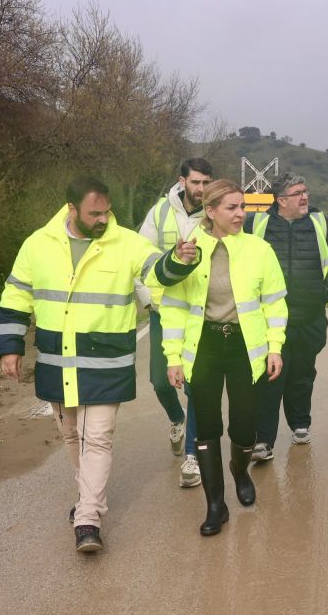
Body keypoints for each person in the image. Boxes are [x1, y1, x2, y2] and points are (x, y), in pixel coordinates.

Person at [0, 176, 195, 553]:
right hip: (56, 360)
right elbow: (16, 295)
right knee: (72, 434)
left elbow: (157, 272)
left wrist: (179, 260)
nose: (103, 219)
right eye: (94, 213)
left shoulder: (128, 244)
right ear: (72, 209)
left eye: (107, 212)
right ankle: (91, 498)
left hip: (107, 359)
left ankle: (87, 519)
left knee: (97, 436)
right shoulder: (37, 244)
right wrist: (9, 345)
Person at [156, 180, 288, 536]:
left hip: (246, 348)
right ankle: (216, 504)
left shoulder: (260, 250)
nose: (240, 214)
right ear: (210, 212)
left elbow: (274, 303)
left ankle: (240, 470)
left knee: (245, 427)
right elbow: (174, 308)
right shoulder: (190, 252)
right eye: (231, 208)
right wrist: (173, 358)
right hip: (205, 348)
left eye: (242, 206)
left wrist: (274, 347)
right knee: (209, 426)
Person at [244, 173, 328, 461]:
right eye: (297, 193)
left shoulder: (320, 223)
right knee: (269, 378)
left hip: (310, 318)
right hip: (267, 321)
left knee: (302, 375)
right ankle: (263, 441)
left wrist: (324, 292)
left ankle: (300, 424)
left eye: (306, 191)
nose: (305, 197)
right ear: (281, 200)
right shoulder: (256, 224)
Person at [136, 158, 212, 488]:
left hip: (199, 313)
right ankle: (177, 420)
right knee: (160, 381)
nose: (201, 189)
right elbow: (140, 258)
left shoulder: (214, 214)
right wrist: (148, 298)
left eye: (206, 182)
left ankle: (193, 455)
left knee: (196, 383)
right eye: (195, 182)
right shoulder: (159, 213)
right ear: (182, 181)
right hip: (163, 310)